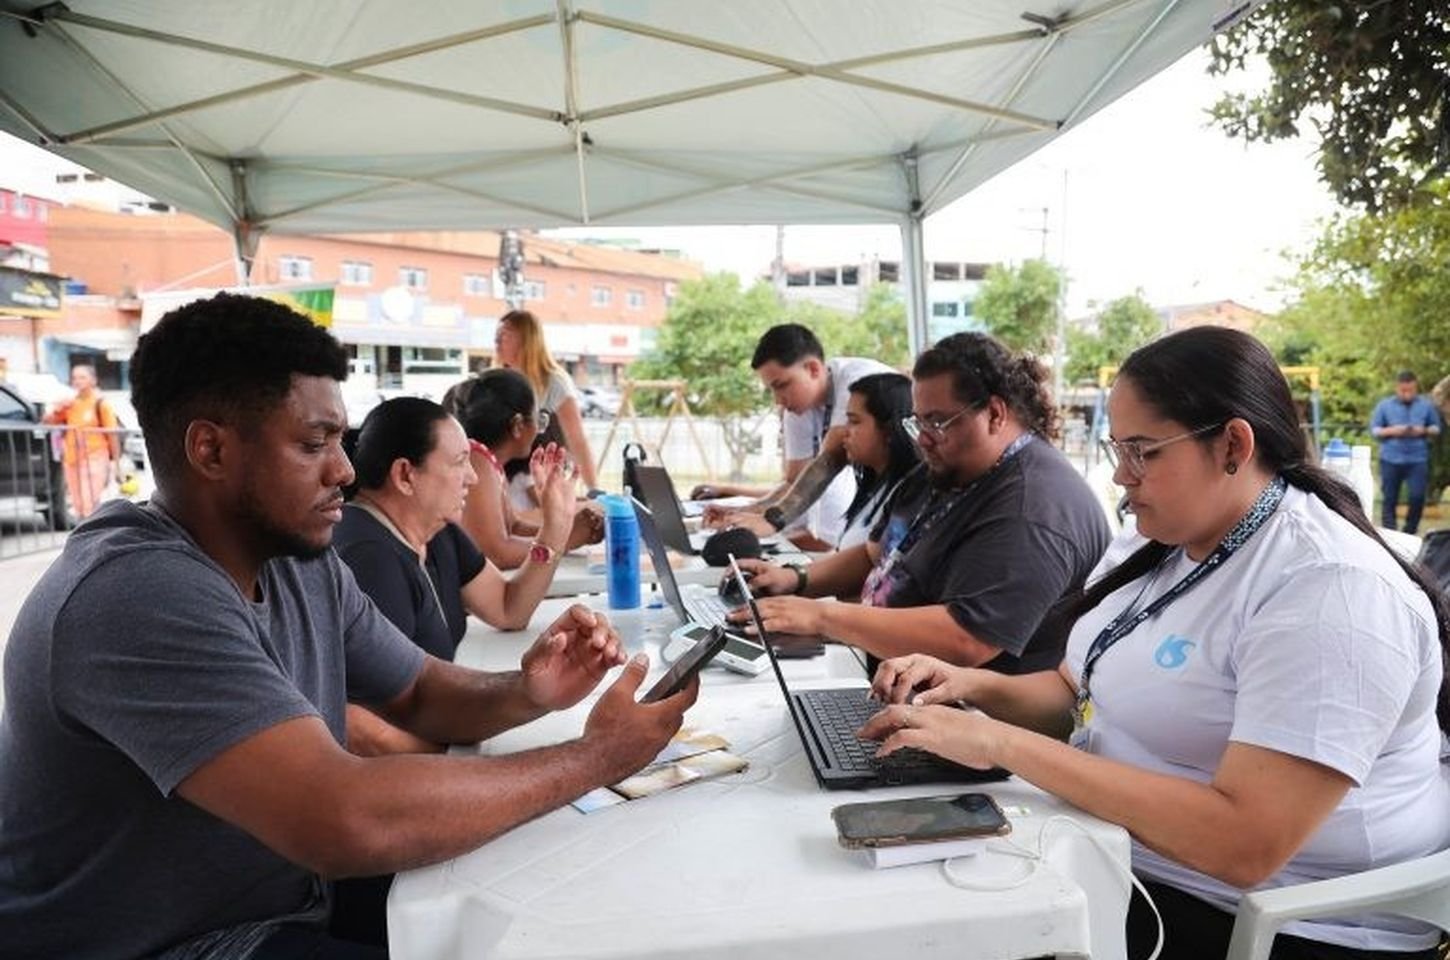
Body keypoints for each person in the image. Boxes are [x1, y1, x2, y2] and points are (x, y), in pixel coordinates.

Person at [0, 293, 695, 959]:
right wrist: (597, 758)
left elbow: (420, 689)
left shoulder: (296, 558)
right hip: (186, 944)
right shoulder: (135, 594)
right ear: (210, 451)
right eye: (314, 444)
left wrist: (527, 689)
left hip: (293, 901)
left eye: (340, 438)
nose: (343, 468)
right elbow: (343, 818)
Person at [862, 326, 1450, 960]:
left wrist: (999, 743)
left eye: (1141, 452)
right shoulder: (1166, 539)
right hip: (1128, 858)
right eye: (1118, 449)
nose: (1120, 474)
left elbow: (1245, 844)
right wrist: (968, 686)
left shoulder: (1332, 591)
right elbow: (1077, 692)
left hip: (1278, 921)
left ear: (1233, 445)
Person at [732, 333, 1111, 673]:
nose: (923, 439)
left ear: (995, 414)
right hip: (889, 670)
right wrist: (795, 579)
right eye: (918, 423)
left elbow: (967, 640)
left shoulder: (1033, 507)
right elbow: (874, 554)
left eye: (937, 422)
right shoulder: (946, 465)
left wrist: (823, 618)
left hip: (974, 713)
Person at [335, 397, 581, 755]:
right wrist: (455, 757)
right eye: (459, 462)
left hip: (438, 736)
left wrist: (555, 527)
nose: (473, 477)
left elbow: (508, 609)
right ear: (405, 475)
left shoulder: (439, 533)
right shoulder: (368, 558)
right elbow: (368, 726)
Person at [699, 323, 893, 550]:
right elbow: (793, 482)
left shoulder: (857, 381)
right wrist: (741, 513)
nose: (778, 400)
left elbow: (831, 460)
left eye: (781, 385)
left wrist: (772, 521)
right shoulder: (798, 407)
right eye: (772, 390)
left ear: (813, 369)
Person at [447, 369, 602, 570]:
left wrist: (564, 528)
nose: (539, 430)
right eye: (538, 419)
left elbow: (514, 527)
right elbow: (497, 553)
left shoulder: (489, 463)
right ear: (518, 425)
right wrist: (566, 539)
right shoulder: (478, 464)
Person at [492, 308, 599, 491]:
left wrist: (594, 489)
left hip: (543, 488)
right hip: (504, 486)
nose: (497, 341)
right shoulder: (497, 381)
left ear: (526, 340)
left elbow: (577, 440)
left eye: (505, 334)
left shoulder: (554, 383)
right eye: (497, 335)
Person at [835, 371, 920, 549]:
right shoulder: (875, 487)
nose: (844, 431)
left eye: (854, 421)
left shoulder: (909, 494)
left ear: (888, 430)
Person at [42, 361, 124, 519]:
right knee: (78, 506)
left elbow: (112, 434)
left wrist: (117, 465)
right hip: (72, 459)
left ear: (93, 380)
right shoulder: (70, 403)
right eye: (74, 378)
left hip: (95, 457)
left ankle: (91, 532)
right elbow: (47, 422)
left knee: (89, 504)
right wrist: (56, 408)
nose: (77, 381)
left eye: (82, 377)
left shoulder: (101, 403)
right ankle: (85, 531)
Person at [1371, 370, 1442, 534]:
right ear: (1397, 388)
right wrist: (1393, 430)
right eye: (1403, 390)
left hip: (1417, 459)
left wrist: (1423, 430)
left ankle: (1410, 532)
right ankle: (1390, 534)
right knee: (1389, 498)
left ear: (1415, 387)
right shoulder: (1384, 406)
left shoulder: (1426, 405)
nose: (1407, 394)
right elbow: (1375, 430)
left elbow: (1436, 428)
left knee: (1418, 497)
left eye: (1411, 390)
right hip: (1390, 458)